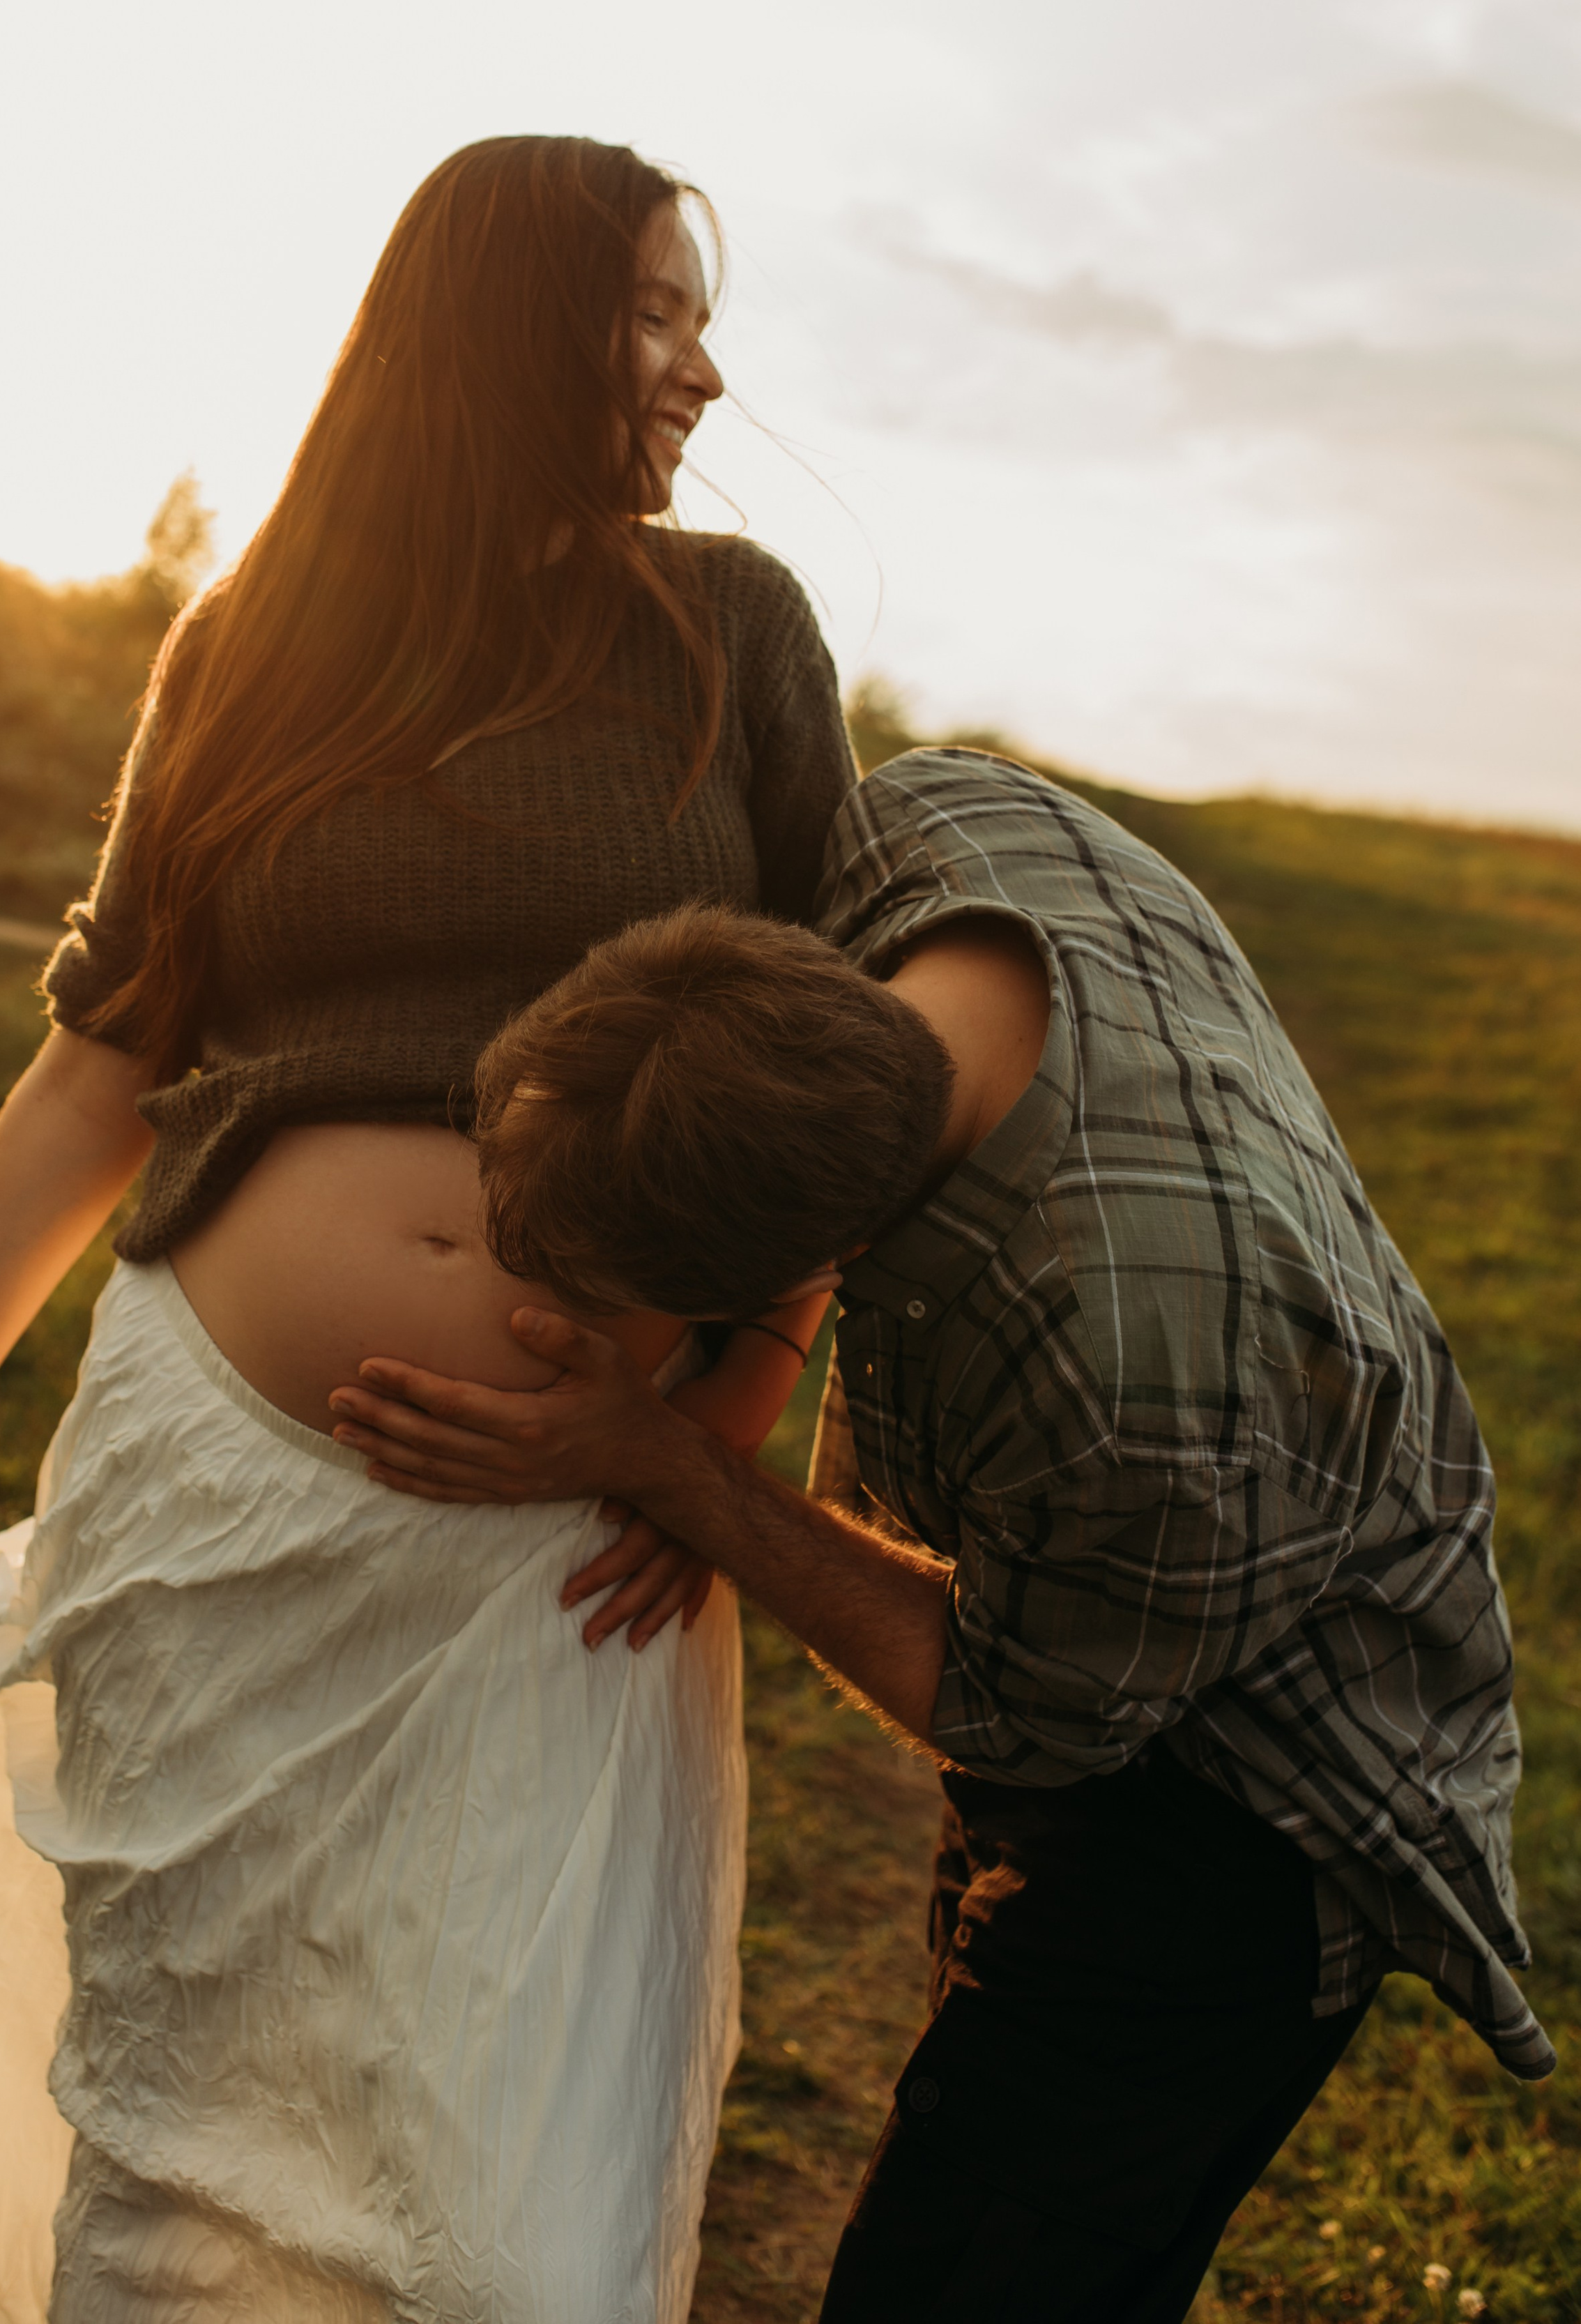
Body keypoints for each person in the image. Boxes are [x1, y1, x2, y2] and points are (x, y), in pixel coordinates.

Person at [0, 134, 857, 2324]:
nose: (707, 373)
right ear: (509, 339)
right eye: (658, 316)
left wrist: (723, 1416)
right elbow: (111, 1052)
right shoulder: (254, 644)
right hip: (213, 1504)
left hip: (553, 1554)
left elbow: (837, 1063)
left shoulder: (730, 637)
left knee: (510, 2203)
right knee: (183, 2134)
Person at [325, 745, 1553, 2324]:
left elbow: (1013, 1716)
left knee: (975, 2273)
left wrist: (670, 1463)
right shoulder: (938, 820)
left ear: (823, 1255)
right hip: (1124, 1613)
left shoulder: (1137, 1380)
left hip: (1240, 1820)